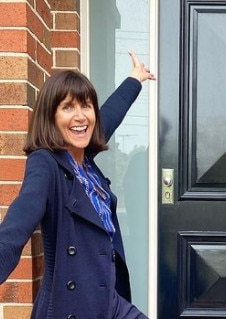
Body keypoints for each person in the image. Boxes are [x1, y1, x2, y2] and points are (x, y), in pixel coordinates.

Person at [0, 51, 155, 318]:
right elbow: (17, 224)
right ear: (51, 116)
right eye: (68, 107)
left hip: (108, 301)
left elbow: (109, 115)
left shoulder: (84, 161)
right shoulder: (46, 163)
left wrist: (135, 79)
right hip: (71, 308)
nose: (81, 116)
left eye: (86, 105)